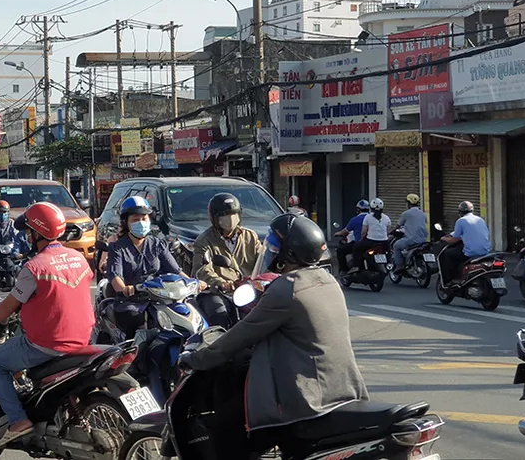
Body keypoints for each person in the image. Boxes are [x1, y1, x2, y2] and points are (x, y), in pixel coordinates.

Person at [178, 214, 368, 460]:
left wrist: (196, 359)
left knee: (227, 428)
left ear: (287, 254)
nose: (270, 252)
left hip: (306, 398)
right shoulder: (327, 280)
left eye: (275, 248)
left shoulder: (287, 289)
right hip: (344, 388)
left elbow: (241, 336)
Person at [0, 202, 94, 449]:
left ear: (37, 233)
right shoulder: (79, 258)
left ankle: (18, 421)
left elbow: (6, 309)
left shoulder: (34, 268)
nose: (27, 237)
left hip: (48, 343)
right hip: (83, 338)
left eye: (29, 232)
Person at [105, 196, 184, 338]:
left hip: (159, 297)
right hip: (130, 301)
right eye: (135, 220)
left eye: (144, 219)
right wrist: (125, 289)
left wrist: (194, 283)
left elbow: (175, 271)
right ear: (126, 223)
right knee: (135, 320)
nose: (141, 223)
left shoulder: (158, 244)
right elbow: (115, 276)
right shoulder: (117, 248)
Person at [189, 193, 262, 328]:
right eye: (224, 215)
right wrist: (220, 283)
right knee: (219, 314)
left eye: (233, 214)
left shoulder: (250, 236)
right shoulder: (204, 241)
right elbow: (201, 270)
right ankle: (220, 340)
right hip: (217, 292)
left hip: (249, 289)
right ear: (214, 218)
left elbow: (263, 260)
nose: (230, 219)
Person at [439, 201, 491, 287]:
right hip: (485, 251)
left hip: (471, 253)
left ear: (460, 212)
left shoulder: (461, 221)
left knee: (448, 254)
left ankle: (452, 279)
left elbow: (454, 240)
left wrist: (443, 238)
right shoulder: (480, 220)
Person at [391, 194, 429, 269]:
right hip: (423, 241)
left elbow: (397, 226)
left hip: (411, 240)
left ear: (409, 203)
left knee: (396, 246)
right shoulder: (423, 214)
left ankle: (399, 266)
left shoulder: (406, 213)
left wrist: (390, 232)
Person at [352, 197, 391, 268]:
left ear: (371, 208)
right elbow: (388, 231)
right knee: (389, 254)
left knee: (356, 247)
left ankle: (356, 266)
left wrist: (361, 239)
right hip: (384, 243)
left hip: (371, 242)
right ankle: (389, 265)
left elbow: (364, 232)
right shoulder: (387, 218)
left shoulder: (368, 217)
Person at [334, 200, 369, 275]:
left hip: (359, 244)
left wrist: (337, 233)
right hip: (372, 243)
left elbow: (345, 231)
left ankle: (343, 270)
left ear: (358, 210)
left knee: (340, 250)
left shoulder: (355, 220)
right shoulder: (372, 219)